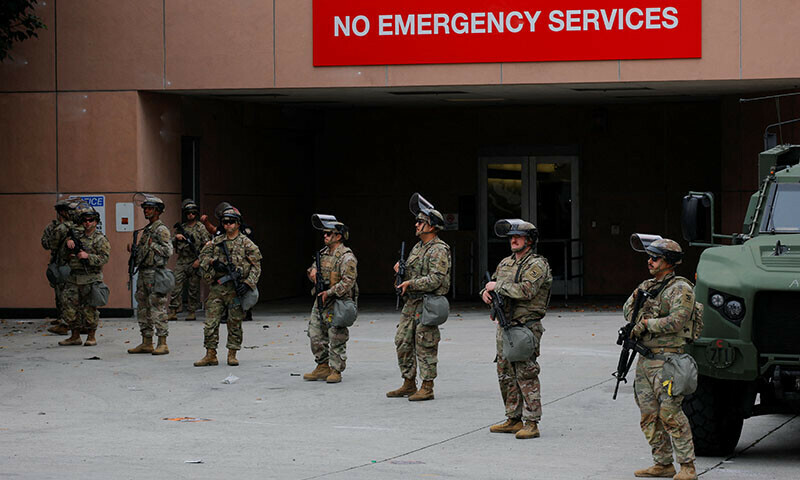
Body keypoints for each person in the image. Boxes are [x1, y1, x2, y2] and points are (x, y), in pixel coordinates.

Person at [624, 236, 697, 480]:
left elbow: (678, 321)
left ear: (669, 261)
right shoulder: (647, 286)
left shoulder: (681, 289)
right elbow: (627, 310)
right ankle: (662, 463)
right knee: (648, 415)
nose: (650, 261)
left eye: (655, 258)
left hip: (669, 361)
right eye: (650, 257)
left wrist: (647, 324)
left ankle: (687, 466)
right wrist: (639, 306)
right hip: (646, 359)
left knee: (670, 414)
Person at [481, 219, 552, 440]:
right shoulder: (505, 263)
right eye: (511, 237)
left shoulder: (537, 264)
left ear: (529, 240)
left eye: (518, 237)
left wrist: (497, 286)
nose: (513, 240)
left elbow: (527, 290)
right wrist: (486, 293)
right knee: (505, 374)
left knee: (526, 373)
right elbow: (493, 285)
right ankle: (513, 418)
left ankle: (531, 422)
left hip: (526, 327)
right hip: (505, 326)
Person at [387, 193, 451, 401]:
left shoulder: (439, 250)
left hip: (428, 303)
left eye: (420, 222)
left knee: (425, 344)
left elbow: (436, 279)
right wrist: (401, 273)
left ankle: (427, 386)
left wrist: (411, 283)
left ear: (431, 226)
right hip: (412, 303)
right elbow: (412, 273)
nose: (416, 225)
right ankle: (408, 382)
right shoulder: (417, 247)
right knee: (402, 341)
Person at [194, 205, 261, 367]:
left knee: (235, 322)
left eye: (231, 222)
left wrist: (248, 284)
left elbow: (256, 267)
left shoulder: (247, 243)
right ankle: (210, 354)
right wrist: (213, 262)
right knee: (211, 322)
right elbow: (202, 258)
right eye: (225, 222)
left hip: (236, 290)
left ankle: (232, 353)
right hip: (218, 288)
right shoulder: (216, 242)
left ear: (238, 223)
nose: (228, 225)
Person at [302, 214, 358, 384]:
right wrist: (312, 273)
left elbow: (348, 282)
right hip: (321, 300)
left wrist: (330, 292)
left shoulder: (346, 257)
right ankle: (322, 365)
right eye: (324, 233)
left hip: (337, 301)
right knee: (315, 333)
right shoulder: (323, 254)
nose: (325, 236)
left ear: (338, 236)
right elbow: (312, 269)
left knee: (336, 336)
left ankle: (336, 369)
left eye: (328, 233)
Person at [57, 206, 110, 346]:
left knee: (89, 309)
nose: (87, 223)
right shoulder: (76, 237)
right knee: (69, 308)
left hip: (90, 278)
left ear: (96, 222)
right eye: (85, 220)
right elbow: (63, 256)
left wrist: (88, 257)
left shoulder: (100, 239)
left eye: (90, 220)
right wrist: (67, 246)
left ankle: (91, 336)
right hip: (74, 277)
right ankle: (75, 336)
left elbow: (104, 258)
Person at [127, 195, 174, 355]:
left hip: (155, 273)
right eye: (145, 208)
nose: (146, 211)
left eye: (150, 208)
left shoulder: (161, 229)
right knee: (143, 308)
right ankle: (146, 341)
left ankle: (162, 343)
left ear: (158, 211)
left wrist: (152, 246)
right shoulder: (148, 229)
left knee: (157, 308)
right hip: (144, 272)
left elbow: (168, 251)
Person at [41, 199, 80, 335]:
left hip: (67, 265)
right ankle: (70, 321)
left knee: (65, 295)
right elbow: (46, 244)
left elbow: (49, 244)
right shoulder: (78, 226)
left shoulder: (64, 227)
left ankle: (66, 323)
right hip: (70, 264)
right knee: (66, 294)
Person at [168, 199, 211, 321]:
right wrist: (176, 238)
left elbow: (207, 246)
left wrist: (200, 260)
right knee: (176, 285)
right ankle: (173, 310)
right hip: (182, 260)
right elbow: (170, 243)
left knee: (193, 287)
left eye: (192, 212)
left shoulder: (201, 228)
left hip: (194, 260)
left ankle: (192, 311)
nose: (190, 215)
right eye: (188, 213)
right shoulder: (181, 228)